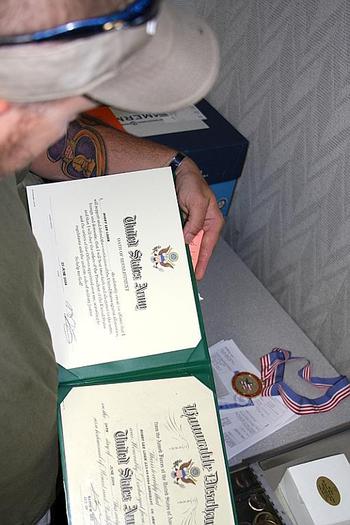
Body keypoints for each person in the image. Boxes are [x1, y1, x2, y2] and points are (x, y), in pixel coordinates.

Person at [0, 1, 223, 523]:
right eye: (67, 101)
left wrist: (173, 166)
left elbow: (37, 146)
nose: (69, 118)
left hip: (56, 467)